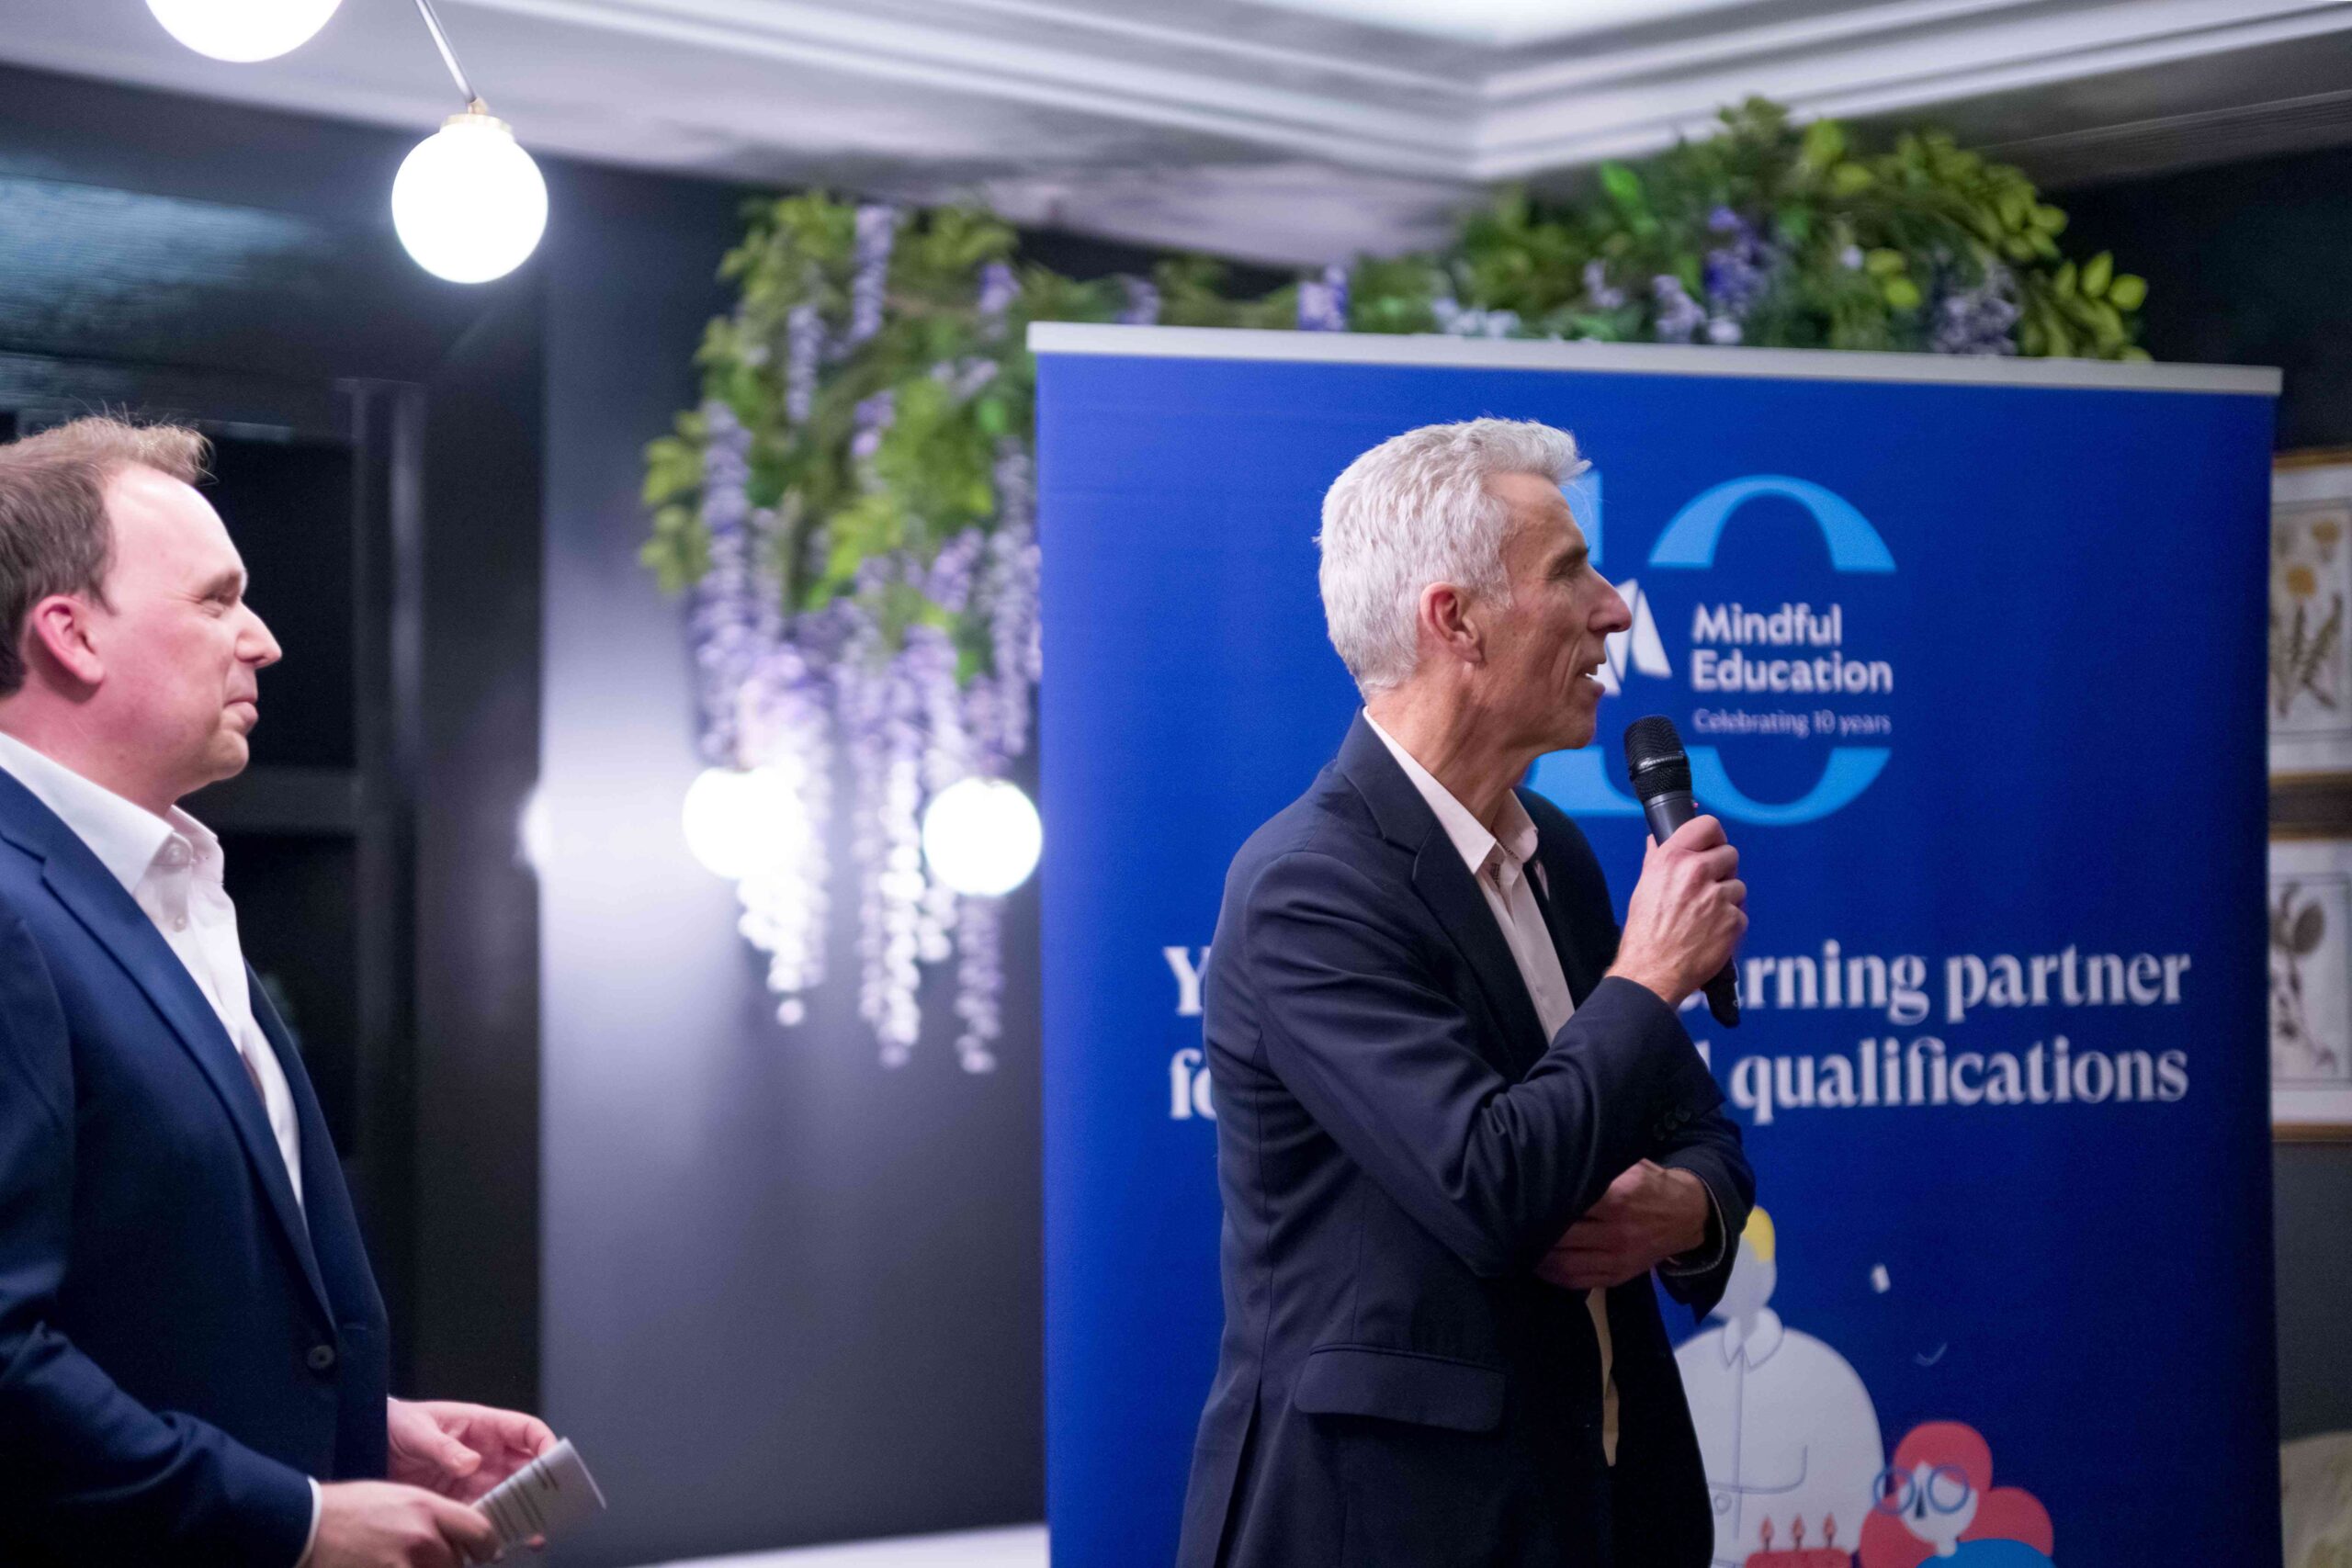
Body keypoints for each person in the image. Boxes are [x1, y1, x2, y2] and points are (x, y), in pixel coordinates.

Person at [1176, 419, 1755, 1568]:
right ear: (1455, 622)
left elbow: (1699, 1134)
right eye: (1568, 572)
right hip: (1398, 1526)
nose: (1614, 610)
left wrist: (1687, 1210)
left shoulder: (1561, 856)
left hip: (1604, 1506)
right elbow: (1490, 1188)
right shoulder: (1306, 887)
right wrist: (1649, 973)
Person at [0, 417, 548, 1567]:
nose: (264, 640)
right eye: (218, 601)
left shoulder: (156, 883)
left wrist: (348, 1431)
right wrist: (294, 1517)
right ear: (70, 635)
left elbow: (141, 1295)